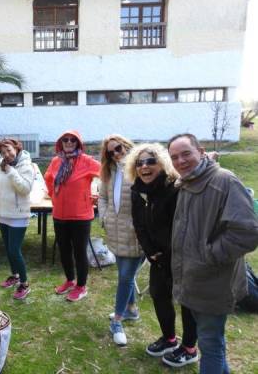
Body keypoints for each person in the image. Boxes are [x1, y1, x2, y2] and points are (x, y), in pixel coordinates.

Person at [167, 133, 258, 374]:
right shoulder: (187, 182)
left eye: (186, 153)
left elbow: (247, 233)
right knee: (212, 342)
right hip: (194, 279)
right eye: (174, 157)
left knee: (211, 345)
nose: (180, 161)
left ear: (201, 151)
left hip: (213, 281)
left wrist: (207, 256)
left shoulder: (224, 182)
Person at [126, 143, 198, 367]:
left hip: (180, 256)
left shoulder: (175, 189)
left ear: (162, 164)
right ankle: (169, 339)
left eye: (150, 161)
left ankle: (189, 348)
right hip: (156, 257)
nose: (144, 167)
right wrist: (151, 252)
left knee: (187, 302)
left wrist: (168, 254)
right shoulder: (137, 191)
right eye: (139, 163)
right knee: (159, 295)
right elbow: (139, 224)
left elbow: (184, 226)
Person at [44, 130, 101, 302]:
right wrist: (53, 196)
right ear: (60, 143)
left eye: (73, 140)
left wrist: (100, 196)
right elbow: (48, 178)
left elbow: (107, 176)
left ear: (78, 143)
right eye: (65, 140)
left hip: (80, 216)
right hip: (59, 215)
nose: (69, 142)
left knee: (79, 252)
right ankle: (70, 280)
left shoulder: (87, 161)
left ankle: (81, 286)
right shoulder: (56, 161)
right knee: (64, 250)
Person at [98, 134, 143, 346]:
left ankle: (117, 320)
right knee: (126, 274)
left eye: (119, 148)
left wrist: (140, 223)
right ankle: (131, 309)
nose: (116, 154)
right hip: (115, 231)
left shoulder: (139, 168)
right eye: (111, 151)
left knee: (126, 276)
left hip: (136, 233)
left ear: (127, 145)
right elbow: (103, 197)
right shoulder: (109, 172)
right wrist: (105, 216)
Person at [0, 138, 34, 300]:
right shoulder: (1, 164)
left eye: (9, 150)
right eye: (3, 152)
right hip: (2, 212)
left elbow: (25, 189)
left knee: (14, 250)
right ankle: (15, 275)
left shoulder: (25, 165)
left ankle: (24, 284)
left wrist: (11, 171)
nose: (7, 154)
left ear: (17, 148)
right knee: (8, 249)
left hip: (18, 214)